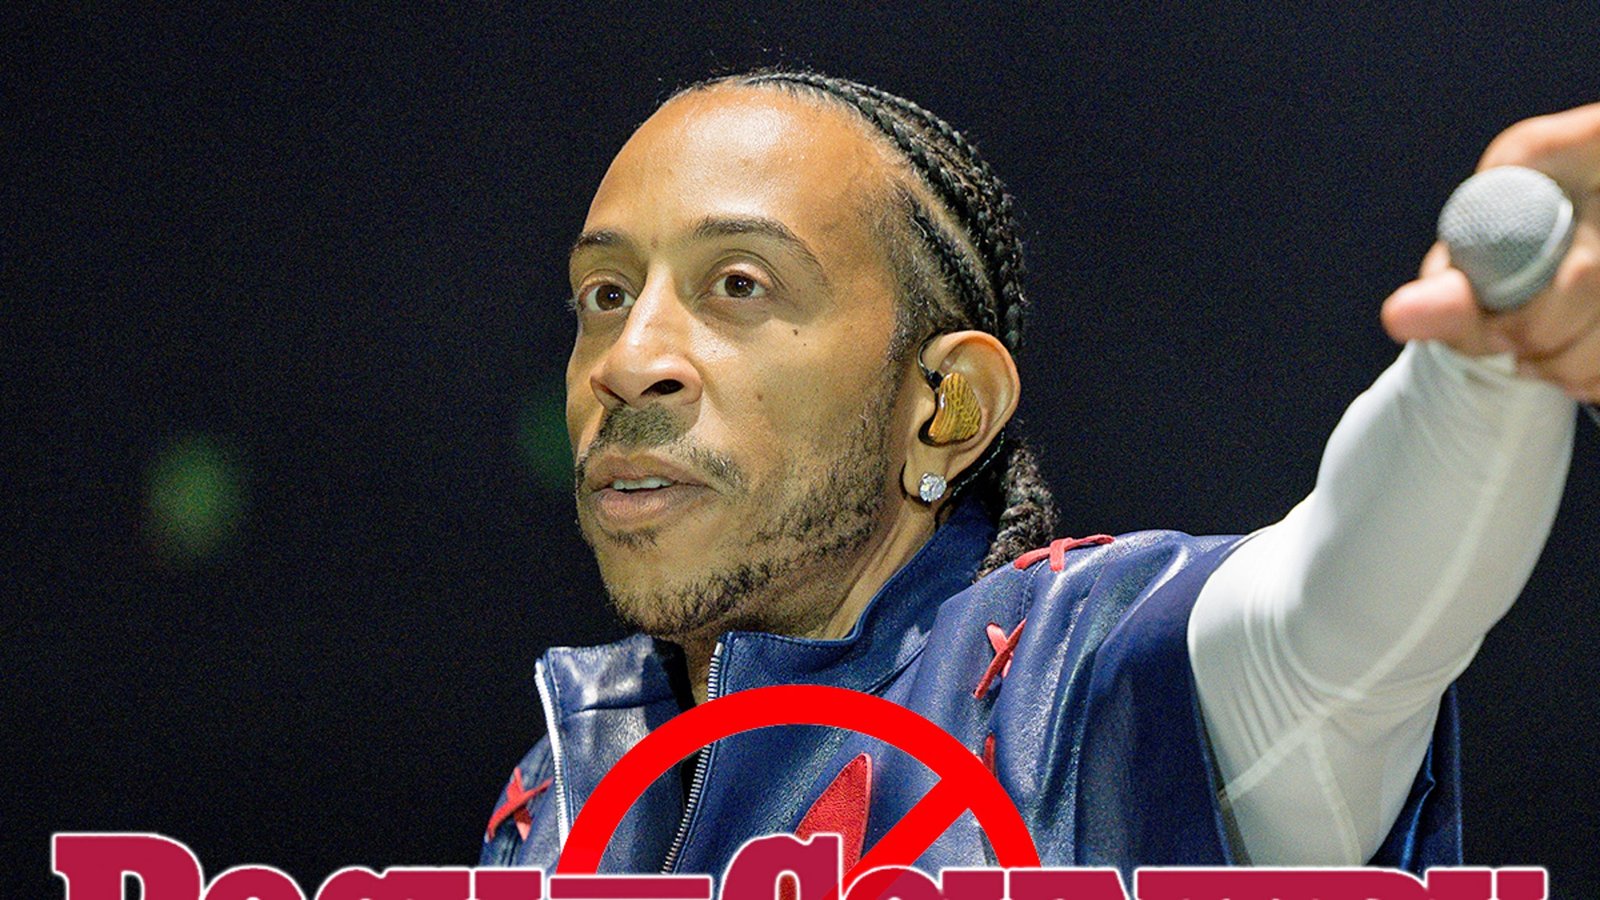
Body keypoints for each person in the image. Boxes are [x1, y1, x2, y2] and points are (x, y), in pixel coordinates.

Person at [479, 70, 1599, 875]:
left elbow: (1352, 603)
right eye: (605, 297)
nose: (627, 360)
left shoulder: (1098, 681)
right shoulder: (560, 779)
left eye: (739, 284)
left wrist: (1497, 351)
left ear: (947, 409)